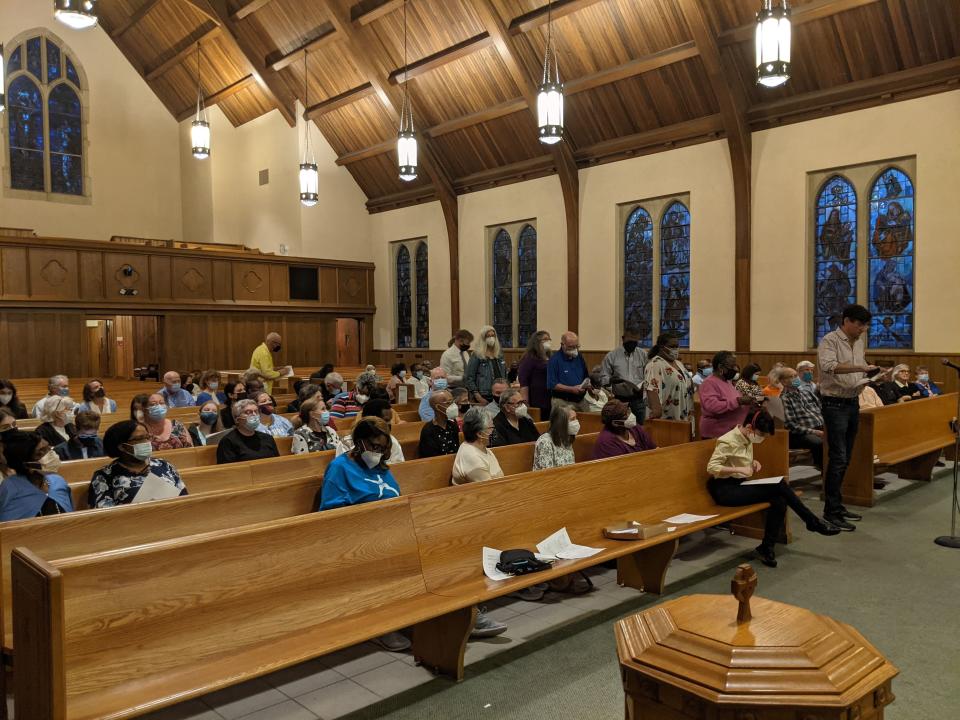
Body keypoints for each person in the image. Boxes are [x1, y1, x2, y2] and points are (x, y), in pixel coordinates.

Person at [706, 410, 840, 567]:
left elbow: (735, 458)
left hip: (739, 484)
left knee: (779, 499)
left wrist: (752, 462)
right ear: (749, 427)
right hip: (725, 490)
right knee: (779, 485)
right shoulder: (727, 440)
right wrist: (739, 470)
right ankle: (812, 521)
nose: (761, 439)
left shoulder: (745, 436)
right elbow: (712, 467)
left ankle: (766, 547)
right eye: (761, 435)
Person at [818, 303, 878, 530]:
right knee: (838, 457)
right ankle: (830, 511)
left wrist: (870, 373)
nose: (863, 329)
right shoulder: (830, 340)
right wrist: (859, 369)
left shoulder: (859, 342)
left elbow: (859, 367)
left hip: (852, 401)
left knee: (847, 456)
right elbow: (828, 366)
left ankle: (838, 505)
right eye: (860, 324)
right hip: (834, 404)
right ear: (847, 321)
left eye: (865, 325)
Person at [89, 421, 188, 507]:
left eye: (147, 437)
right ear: (122, 446)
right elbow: (103, 516)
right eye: (140, 439)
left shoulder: (164, 465)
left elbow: (184, 498)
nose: (146, 442)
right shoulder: (104, 476)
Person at [0, 430, 73, 520]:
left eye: (48, 448)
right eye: (40, 452)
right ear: (26, 463)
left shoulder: (58, 481)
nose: (50, 454)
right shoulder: (10, 488)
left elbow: (71, 518)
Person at [699, 351, 757, 439]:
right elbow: (712, 407)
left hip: (731, 433)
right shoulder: (709, 383)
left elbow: (734, 404)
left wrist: (750, 405)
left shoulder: (727, 382)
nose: (735, 369)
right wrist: (739, 401)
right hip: (715, 434)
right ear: (720, 367)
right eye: (732, 366)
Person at [778, 367, 825, 471]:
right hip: (800, 433)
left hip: (820, 428)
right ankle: (824, 470)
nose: (796, 378)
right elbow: (791, 425)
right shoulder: (784, 399)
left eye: (796, 376)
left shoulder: (807, 393)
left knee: (840, 435)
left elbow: (822, 410)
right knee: (818, 442)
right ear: (783, 381)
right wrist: (815, 432)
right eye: (791, 377)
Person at [644, 332, 694, 423]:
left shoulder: (679, 363)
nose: (676, 349)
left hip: (684, 415)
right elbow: (652, 388)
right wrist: (656, 412)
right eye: (672, 346)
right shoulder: (655, 365)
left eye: (677, 346)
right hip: (667, 418)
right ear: (662, 347)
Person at [600, 327, 648, 422]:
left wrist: (643, 387)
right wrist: (610, 380)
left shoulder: (643, 355)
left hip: (638, 400)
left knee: (641, 427)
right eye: (630, 341)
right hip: (620, 400)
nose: (632, 344)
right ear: (623, 338)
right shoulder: (612, 356)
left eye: (635, 342)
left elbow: (648, 376)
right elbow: (603, 377)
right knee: (621, 427)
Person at [337, 400, 404, 464]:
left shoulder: (392, 441)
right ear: (370, 420)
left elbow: (398, 467)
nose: (389, 424)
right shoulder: (346, 444)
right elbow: (344, 470)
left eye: (390, 420)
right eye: (386, 420)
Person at [216, 399, 280, 464]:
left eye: (256, 411)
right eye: (248, 412)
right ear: (237, 419)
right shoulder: (228, 442)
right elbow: (228, 470)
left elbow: (278, 463)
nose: (254, 415)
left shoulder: (268, 438)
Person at [452, 408, 503, 484]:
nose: (494, 431)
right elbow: (489, 488)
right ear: (479, 433)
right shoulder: (472, 457)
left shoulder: (482, 448)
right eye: (491, 428)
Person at [592, 399, 657, 459]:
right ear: (616, 423)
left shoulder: (635, 427)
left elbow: (654, 449)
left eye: (628, 410)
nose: (630, 415)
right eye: (625, 414)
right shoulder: (606, 442)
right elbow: (621, 467)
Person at [546, 331, 589, 412]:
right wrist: (571, 389)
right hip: (562, 401)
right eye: (571, 347)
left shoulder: (579, 357)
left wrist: (588, 385)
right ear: (562, 345)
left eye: (576, 346)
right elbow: (552, 384)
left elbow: (586, 376)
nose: (574, 349)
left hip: (580, 399)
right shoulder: (554, 360)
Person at [464, 326, 507, 404]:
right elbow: (469, 378)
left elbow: (505, 374)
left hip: (501, 395)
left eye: (493, 336)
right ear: (483, 338)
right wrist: (478, 397)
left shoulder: (499, 354)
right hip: (485, 395)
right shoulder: (477, 355)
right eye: (488, 336)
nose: (491, 338)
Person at [517, 330, 553, 421]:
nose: (548, 341)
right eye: (545, 339)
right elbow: (524, 380)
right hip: (537, 398)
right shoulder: (529, 358)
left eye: (549, 339)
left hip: (550, 397)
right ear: (536, 342)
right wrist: (525, 401)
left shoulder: (550, 357)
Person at [417, 390, 461, 458]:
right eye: (449, 403)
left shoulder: (452, 423)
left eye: (453, 402)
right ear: (437, 407)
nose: (453, 406)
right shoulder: (428, 431)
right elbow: (430, 459)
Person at [533, 405, 579, 470]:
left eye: (576, 418)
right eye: (572, 419)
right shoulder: (545, 442)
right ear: (561, 423)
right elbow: (547, 474)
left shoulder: (566, 438)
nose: (576, 422)